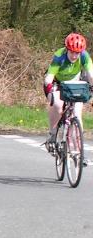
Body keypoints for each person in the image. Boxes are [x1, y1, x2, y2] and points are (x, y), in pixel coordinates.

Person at [44, 32, 93, 164]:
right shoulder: (59, 57)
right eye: (72, 52)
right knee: (58, 105)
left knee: (77, 114)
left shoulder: (84, 56)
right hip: (57, 83)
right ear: (67, 49)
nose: (74, 55)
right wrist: (50, 91)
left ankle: (78, 153)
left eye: (77, 53)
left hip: (74, 85)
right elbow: (48, 78)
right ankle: (53, 135)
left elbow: (91, 75)